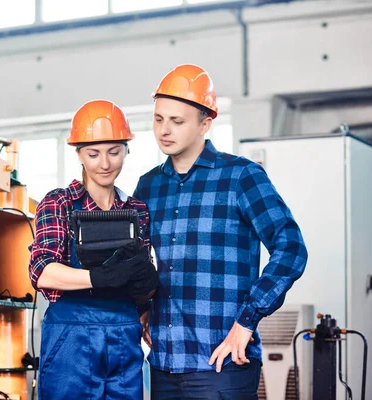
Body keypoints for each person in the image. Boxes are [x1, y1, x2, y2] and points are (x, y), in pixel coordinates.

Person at [133, 64, 308, 399]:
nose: (164, 130)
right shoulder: (148, 186)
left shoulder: (241, 177)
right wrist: (142, 308)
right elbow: (141, 261)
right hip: (163, 364)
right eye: (158, 119)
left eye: (177, 121)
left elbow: (292, 248)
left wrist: (247, 320)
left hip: (222, 365)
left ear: (205, 123)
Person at [28, 99, 159, 399]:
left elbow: (140, 284)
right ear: (78, 154)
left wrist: (147, 290)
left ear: (127, 149)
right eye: (93, 153)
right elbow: (41, 271)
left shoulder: (137, 210)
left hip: (125, 336)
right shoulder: (59, 202)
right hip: (70, 341)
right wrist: (99, 278)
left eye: (114, 152)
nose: (105, 163)